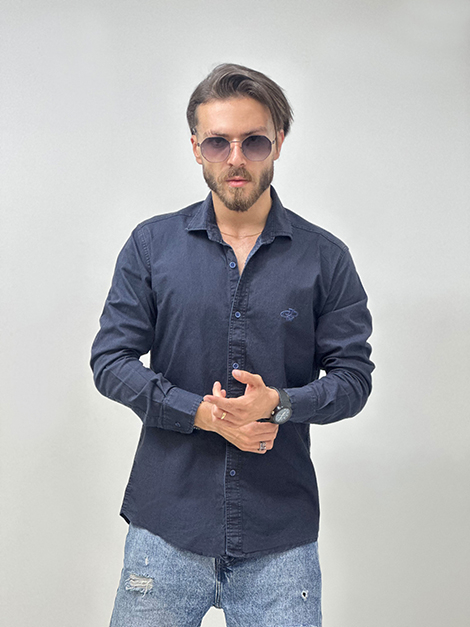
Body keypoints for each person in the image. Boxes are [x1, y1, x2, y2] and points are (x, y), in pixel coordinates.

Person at [91, 63, 374, 627]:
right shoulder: (151, 245)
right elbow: (111, 361)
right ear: (196, 147)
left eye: (254, 141)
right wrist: (201, 413)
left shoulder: (325, 257)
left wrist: (280, 404)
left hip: (280, 540)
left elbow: (353, 379)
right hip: (165, 530)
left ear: (279, 144)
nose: (236, 158)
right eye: (218, 142)